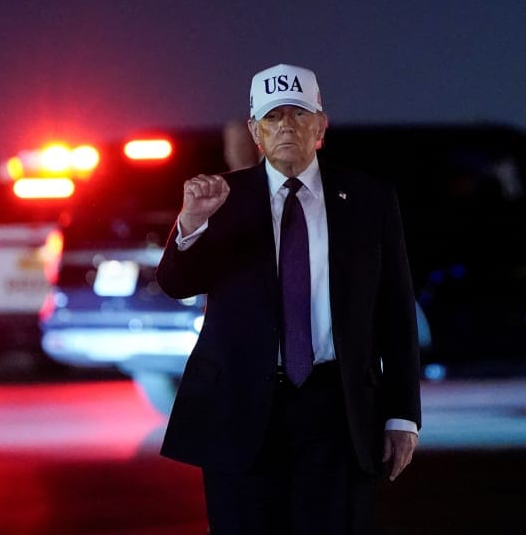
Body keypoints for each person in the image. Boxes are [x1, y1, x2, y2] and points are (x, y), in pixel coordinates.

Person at [155, 63, 422, 534]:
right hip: (241, 411)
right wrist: (192, 224)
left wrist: (403, 416)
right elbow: (178, 284)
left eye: (298, 115)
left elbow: (395, 314)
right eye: (273, 118)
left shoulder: (367, 199)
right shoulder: (222, 198)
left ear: (321, 126)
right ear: (255, 133)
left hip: (337, 410)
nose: (286, 128)